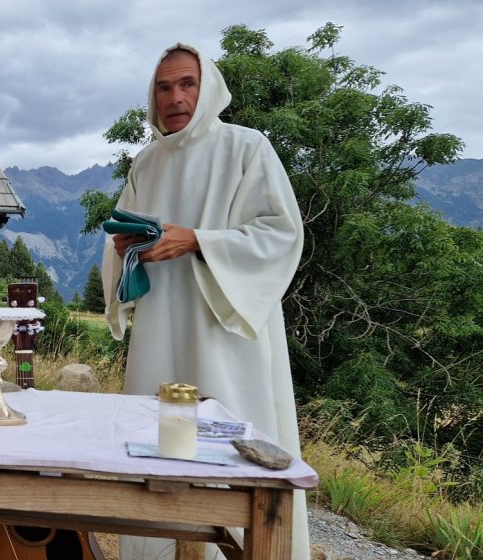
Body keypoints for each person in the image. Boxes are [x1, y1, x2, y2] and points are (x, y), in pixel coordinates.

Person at [101, 44, 311, 560]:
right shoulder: (146, 163)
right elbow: (120, 240)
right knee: (154, 446)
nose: (175, 97)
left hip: (224, 330)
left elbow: (281, 233)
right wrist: (125, 250)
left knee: (233, 448)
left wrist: (197, 239)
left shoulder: (247, 147)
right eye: (164, 87)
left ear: (208, 87)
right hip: (160, 327)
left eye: (187, 84)